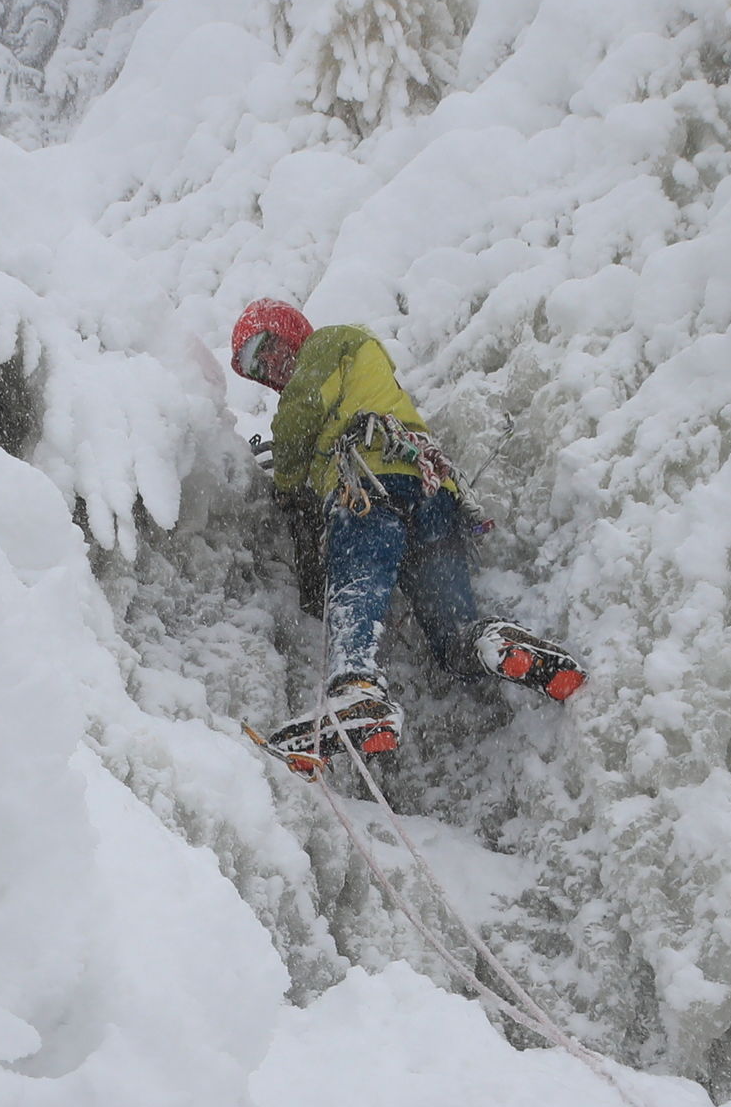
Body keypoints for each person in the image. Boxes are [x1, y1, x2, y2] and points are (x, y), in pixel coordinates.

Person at [230, 298, 583, 770]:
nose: (271, 366)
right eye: (259, 366)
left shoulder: (327, 343)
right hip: (431, 496)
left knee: (358, 580)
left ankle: (356, 689)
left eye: (269, 348)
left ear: (292, 331)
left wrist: (287, 480)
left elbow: (299, 418)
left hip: (368, 484)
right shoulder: (361, 372)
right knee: (450, 636)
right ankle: (497, 644)